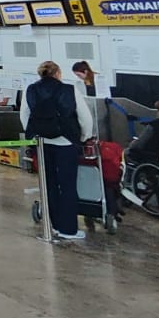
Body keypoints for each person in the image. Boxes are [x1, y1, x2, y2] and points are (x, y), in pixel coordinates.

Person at [22, 61, 94, 241]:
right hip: (66, 142)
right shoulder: (69, 90)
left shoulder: (30, 90)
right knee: (68, 186)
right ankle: (68, 229)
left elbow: (24, 115)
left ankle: (52, 225)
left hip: (42, 144)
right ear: (58, 73)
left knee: (49, 185)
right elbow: (85, 118)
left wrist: (34, 137)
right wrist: (84, 137)